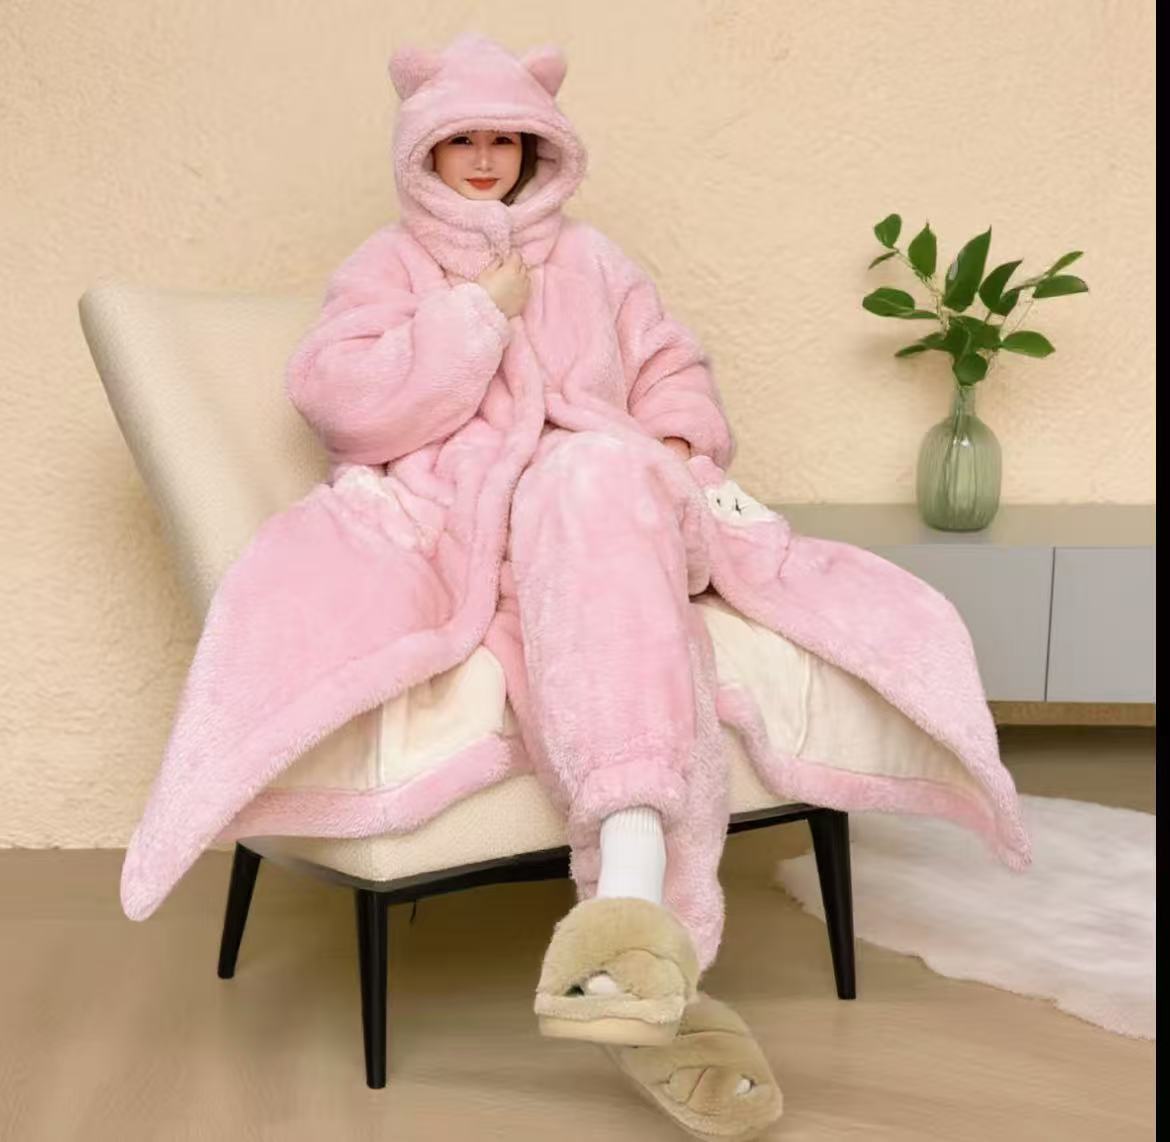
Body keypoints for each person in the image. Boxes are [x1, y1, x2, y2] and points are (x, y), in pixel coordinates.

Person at [288, 32, 783, 1139]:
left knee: (598, 478)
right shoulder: (388, 265)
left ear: (537, 148)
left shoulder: (598, 261)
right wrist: (476, 313)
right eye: (459, 139)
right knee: (591, 516)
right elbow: (341, 400)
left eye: (504, 139)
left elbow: (671, 364)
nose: (483, 159)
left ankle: (629, 921)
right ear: (423, 150)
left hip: (613, 504)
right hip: (480, 521)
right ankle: (643, 932)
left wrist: (673, 439)